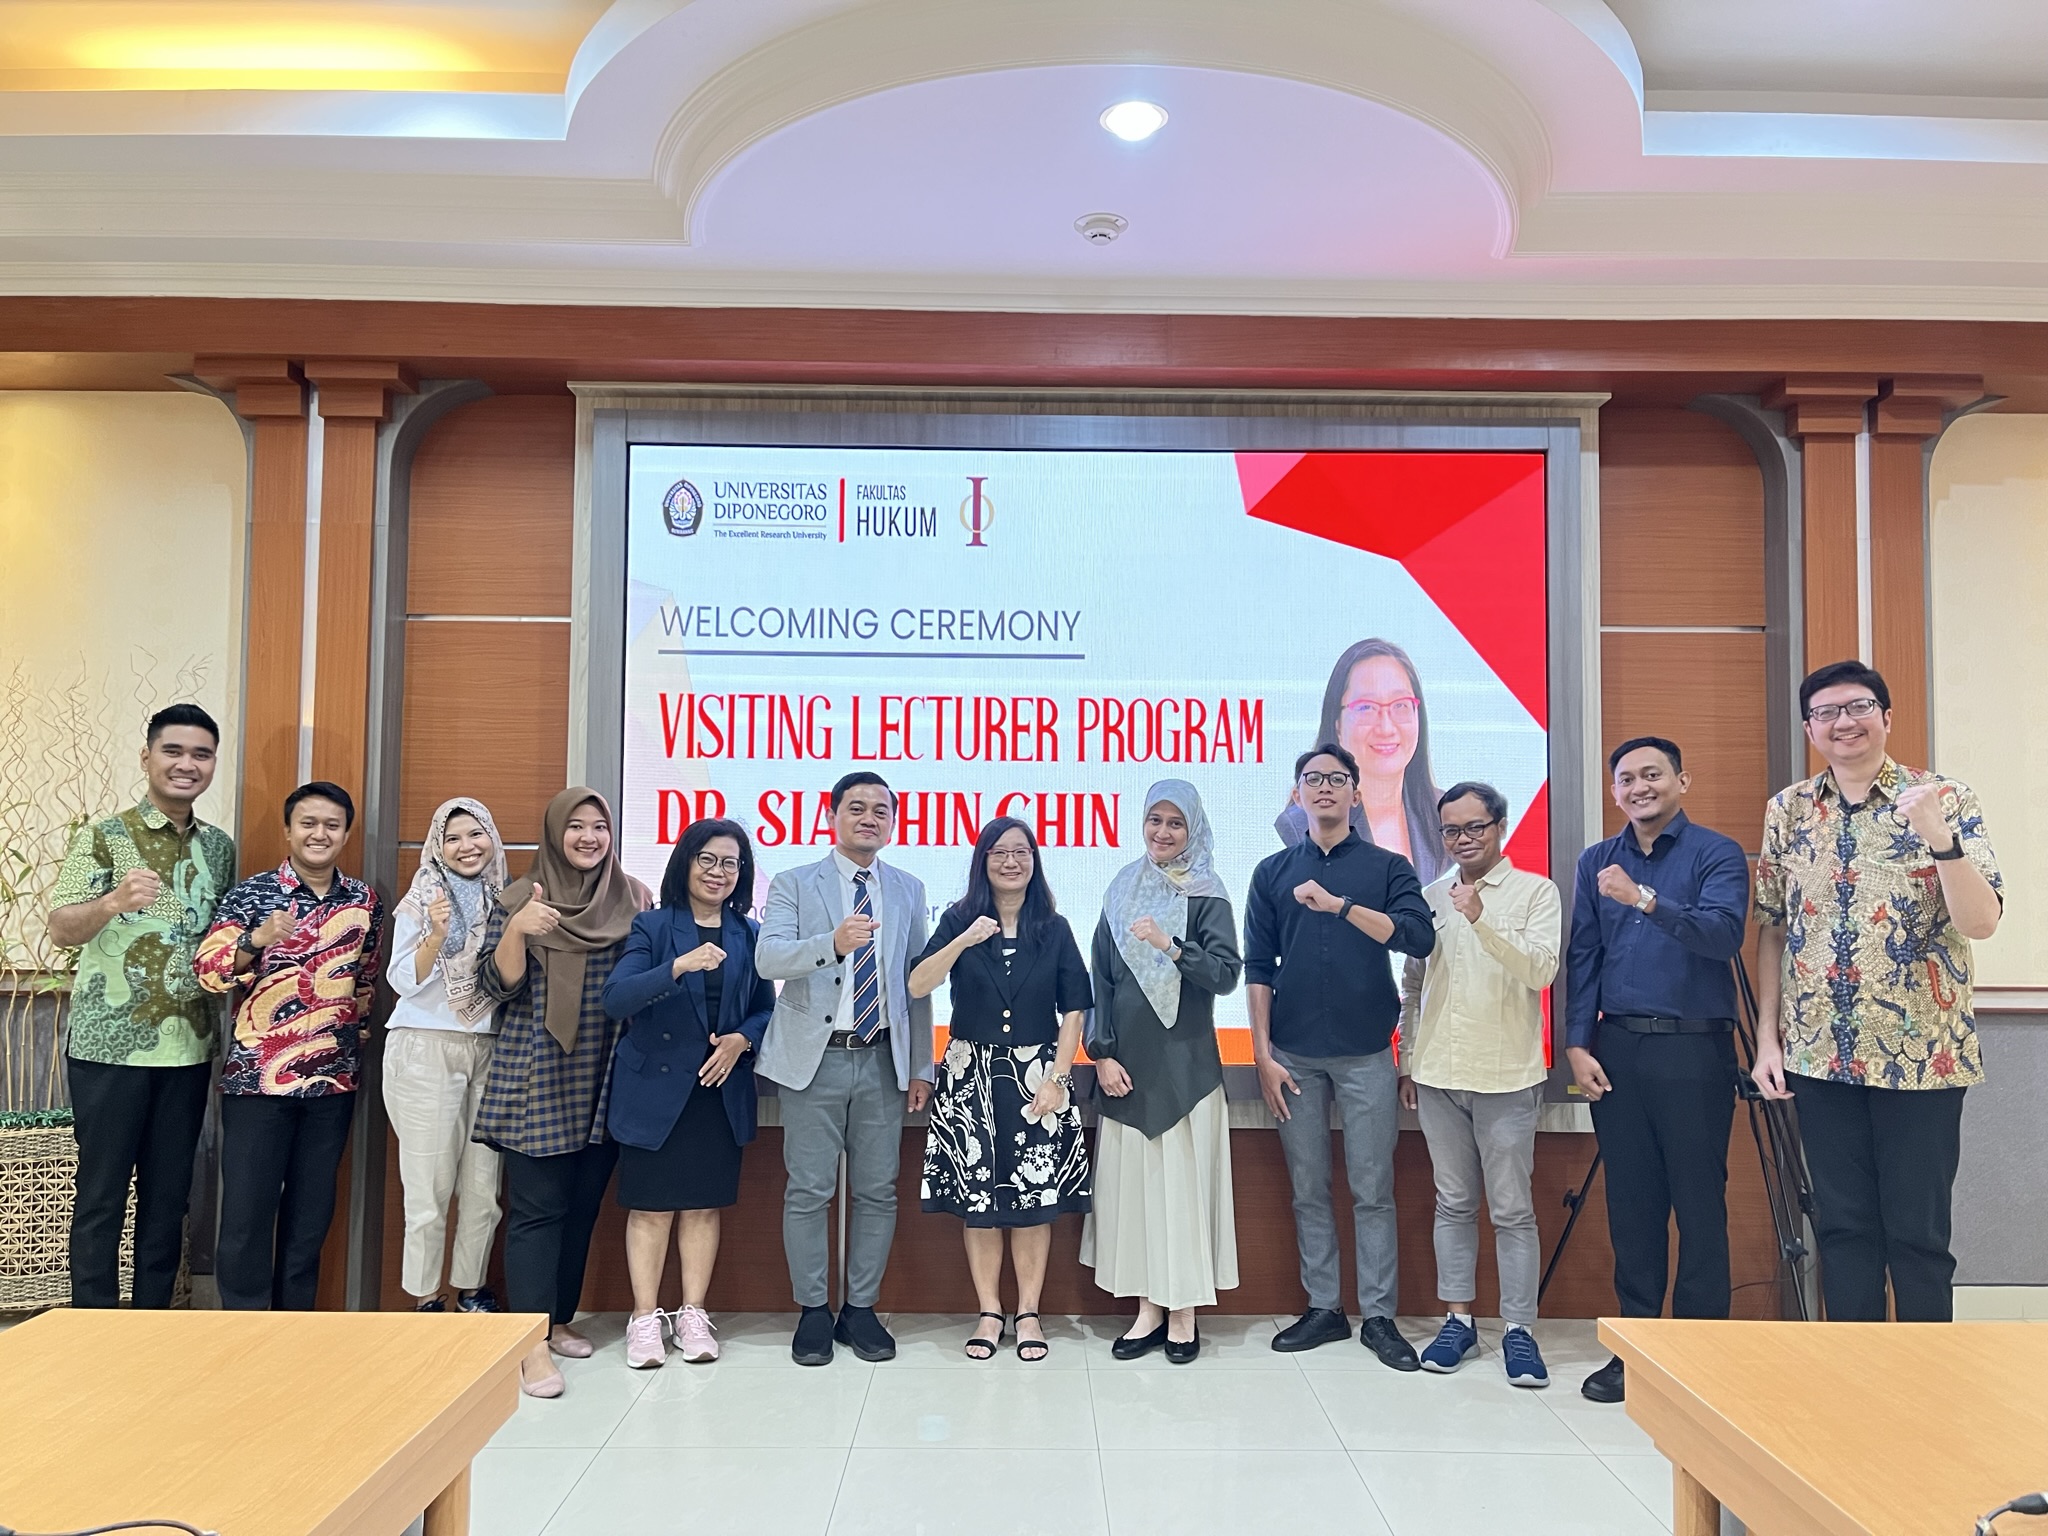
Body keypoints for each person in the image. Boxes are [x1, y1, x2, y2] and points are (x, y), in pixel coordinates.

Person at [1751, 661, 2002, 1324]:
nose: (1844, 722)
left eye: (1859, 706)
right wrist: (1768, 1040)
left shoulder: (1945, 798)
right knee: (1842, 1231)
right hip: (1819, 1057)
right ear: (1810, 729)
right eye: (1827, 712)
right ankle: (1851, 1375)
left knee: (1918, 1237)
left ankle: (1922, 1376)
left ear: (1886, 717)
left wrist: (1940, 840)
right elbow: (1773, 928)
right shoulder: (1788, 810)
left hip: (1923, 1058)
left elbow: (1981, 922)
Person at [1564, 737, 1749, 1404]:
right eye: (1627, 779)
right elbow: (1583, 956)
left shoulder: (1716, 854)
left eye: (1653, 774)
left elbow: (1723, 936)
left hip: (1694, 1050)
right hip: (1618, 1050)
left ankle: (1699, 1357)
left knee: (1698, 1204)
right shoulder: (1596, 860)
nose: (1639, 787)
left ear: (1681, 781)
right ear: (1614, 791)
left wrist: (1643, 898)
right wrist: (1577, 1044)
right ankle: (1635, 1351)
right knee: (1632, 1206)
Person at [1246, 743, 1435, 1366]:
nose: (1323, 787)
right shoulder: (1272, 873)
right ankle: (1324, 1308)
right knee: (1308, 1188)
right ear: (1297, 793)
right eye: (1312, 778)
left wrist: (1343, 907)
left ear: (1356, 792)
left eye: (1336, 778)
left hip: (1366, 1053)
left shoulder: (1387, 867)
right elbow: (1258, 968)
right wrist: (1262, 1054)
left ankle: (1379, 1317)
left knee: (1373, 1188)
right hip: (1292, 1055)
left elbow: (1419, 937)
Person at [48, 703, 235, 1310]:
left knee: (168, 1196)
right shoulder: (104, 836)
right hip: (109, 1047)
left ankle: (153, 1323)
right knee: (101, 1195)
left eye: (201, 754)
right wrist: (111, 902)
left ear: (213, 763)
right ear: (147, 757)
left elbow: (223, 942)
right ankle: (93, 1324)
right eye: (173, 751)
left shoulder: (220, 847)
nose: (187, 764)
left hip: (189, 1048)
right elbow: (60, 928)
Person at [473, 788, 650, 1398]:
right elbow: (496, 986)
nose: (589, 837)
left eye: (600, 826)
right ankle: (529, 1344)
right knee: (537, 1209)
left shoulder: (634, 899)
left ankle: (558, 1319)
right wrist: (517, 930)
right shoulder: (518, 898)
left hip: (606, 1071)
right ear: (554, 833)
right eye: (575, 826)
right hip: (538, 1070)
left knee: (582, 1207)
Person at [756, 771, 934, 1367]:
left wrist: (921, 1065)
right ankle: (812, 1309)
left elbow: (917, 984)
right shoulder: (793, 882)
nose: (869, 818)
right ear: (832, 817)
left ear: (893, 822)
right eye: (856, 808)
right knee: (809, 1189)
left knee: (878, 1190)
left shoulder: (908, 889)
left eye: (881, 810)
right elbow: (767, 959)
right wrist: (831, 942)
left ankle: (860, 1308)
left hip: (883, 1057)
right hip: (815, 1059)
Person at [1397, 782, 1561, 1388]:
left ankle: (1519, 1330)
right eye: (1451, 830)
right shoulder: (1430, 897)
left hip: (1506, 1076)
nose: (1463, 839)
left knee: (1513, 1209)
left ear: (1500, 826)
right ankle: (1458, 1320)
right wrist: (1408, 1061)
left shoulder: (1536, 892)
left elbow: (1541, 970)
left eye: (1475, 827)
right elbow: (1414, 986)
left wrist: (1482, 918)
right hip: (1439, 1074)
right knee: (1453, 1203)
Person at [194, 781, 382, 1311]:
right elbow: (208, 971)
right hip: (258, 1079)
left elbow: (365, 980)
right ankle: (245, 1323)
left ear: (346, 834)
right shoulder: (252, 894)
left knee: (310, 1216)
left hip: (331, 1081)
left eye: (332, 825)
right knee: (248, 1214)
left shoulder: (364, 900)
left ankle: (296, 1325)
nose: (320, 834)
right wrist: (256, 939)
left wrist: (353, 1032)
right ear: (288, 830)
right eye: (308, 823)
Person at [911, 817, 1093, 1361]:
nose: (1011, 861)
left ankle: (1029, 1312)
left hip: (1038, 1078)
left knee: (1034, 1201)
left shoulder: (1054, 928)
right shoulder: (958, 919)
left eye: (1022, 852)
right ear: (982, 861)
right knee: (980, 1202)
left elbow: (1075, 1009)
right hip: (970, 1076)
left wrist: (1058, 1079)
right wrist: (964, 938)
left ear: (1034, 862)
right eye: (999, 852)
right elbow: (918, 983)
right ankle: (990, 1311)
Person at [602, 818, 775, 1368]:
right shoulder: (652, 926)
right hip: (655, 1089)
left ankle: (693, 1314)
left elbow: (766, 1007)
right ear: (686, 863)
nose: (718, 872)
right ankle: (644, 1318)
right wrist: (679, 965)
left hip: (717, 1089)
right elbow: (616, 998)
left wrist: (743, 1039)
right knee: (652, 1210)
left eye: (731, 863)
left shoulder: (749, 933)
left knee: (702, 1207)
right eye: (708, 859)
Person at [1080, 780, 1243, 1363]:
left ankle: (1183, 1313)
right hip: (1127, 1070)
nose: (1163, 832)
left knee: (1181, 1193)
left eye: (1176, 823)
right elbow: (1100, 980)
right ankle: (1148, 1310)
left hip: (1186, 1068)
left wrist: (1172, 945)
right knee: (1139, 1195)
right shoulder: (1122, 888)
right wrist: (1101, 1052)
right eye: (1155, 820)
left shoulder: (1208, 893)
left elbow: (1226, 975)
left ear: (1193, 829)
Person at [382, 797, 508, 1313]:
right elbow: (402, 979)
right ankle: (426, 1298)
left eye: (476, 834)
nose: (466, 846)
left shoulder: (505, 898)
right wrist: (436, 935)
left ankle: (470, 1291)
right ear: (438, 845)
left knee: (483, 1189)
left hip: (490, 1046)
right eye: (452, 837)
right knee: (428, 1191)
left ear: (491, 838)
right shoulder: (423, 896)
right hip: (425, 1045)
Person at [1277, 638, 1448, 884]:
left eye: (1400, 705)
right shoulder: (1302, 825)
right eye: (1366, 708)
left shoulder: (1449, 816)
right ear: (1337, 724)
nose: (1386, 727)